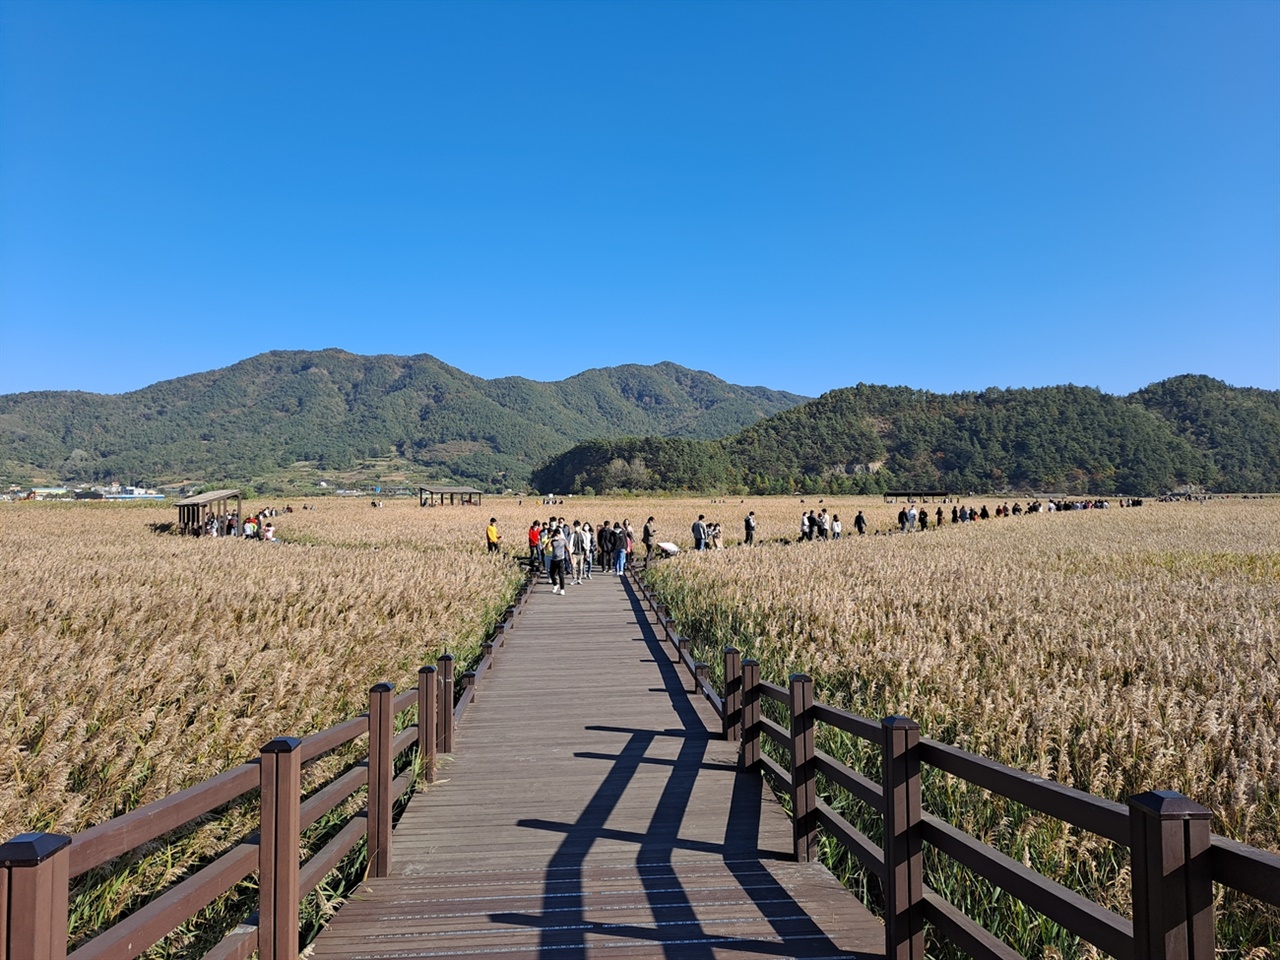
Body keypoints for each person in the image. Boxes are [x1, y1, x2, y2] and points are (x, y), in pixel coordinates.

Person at [549, 526, 569, 594]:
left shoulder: (563, 540)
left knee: (561, 575)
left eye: (558, 535)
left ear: (560, 534)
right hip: (554, 559)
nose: (557, 536)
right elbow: (547, 547)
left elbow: (568, 549)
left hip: (561, 559)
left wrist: (570, 558)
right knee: (551, 574)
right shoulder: (553, 541)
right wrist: (551, 539)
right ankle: (555, 584)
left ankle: (562, 589)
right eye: (555, 535)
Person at [570, 520, 587, 584]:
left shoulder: (583, 534)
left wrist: (586, 552)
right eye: (575, 526)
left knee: (580, 567)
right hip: (574, 553)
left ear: (579, 526)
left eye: (577, 526)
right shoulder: (572, 535)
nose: (576, 527)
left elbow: (586, 543)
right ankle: (574, 578)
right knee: (573, 566)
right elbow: (570, 544)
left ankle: (579, 578)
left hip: (581, 553)